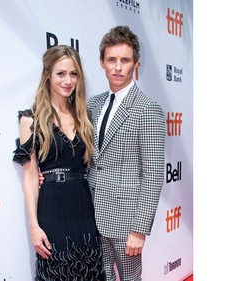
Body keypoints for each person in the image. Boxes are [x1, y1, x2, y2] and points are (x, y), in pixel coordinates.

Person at [13, 45, 105, 280]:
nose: (68, 80)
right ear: (47, 74)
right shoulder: (31, 119)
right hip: (52, 208)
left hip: (83, 206)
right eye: (61, 73)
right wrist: (34, 226)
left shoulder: (83, 116)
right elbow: (31, 176)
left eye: (73, 74)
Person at [86, 25, 166, 281]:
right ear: (102, 62)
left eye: (125, 60)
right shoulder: (93, 104)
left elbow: (153, 173)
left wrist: (139, 229)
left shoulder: (147, 109)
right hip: (91, 214)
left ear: (136, 64)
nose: (118, 67)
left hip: (126, 222)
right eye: (112, 60)